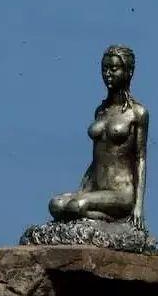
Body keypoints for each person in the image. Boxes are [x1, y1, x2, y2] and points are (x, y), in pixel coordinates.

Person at [49, 45, 149, 230]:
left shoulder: (137, 113)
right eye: (104, 68)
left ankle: (112, 222)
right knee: (56, 204)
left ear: (128, 72)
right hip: (96, 188)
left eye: (114, 69)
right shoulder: (101, 111)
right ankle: (94, 217)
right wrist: (81, 189)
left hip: (121, 192)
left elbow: (140, 159)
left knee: (76, 206)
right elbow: (97, 158)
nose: (108, 74)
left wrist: (138, 208)